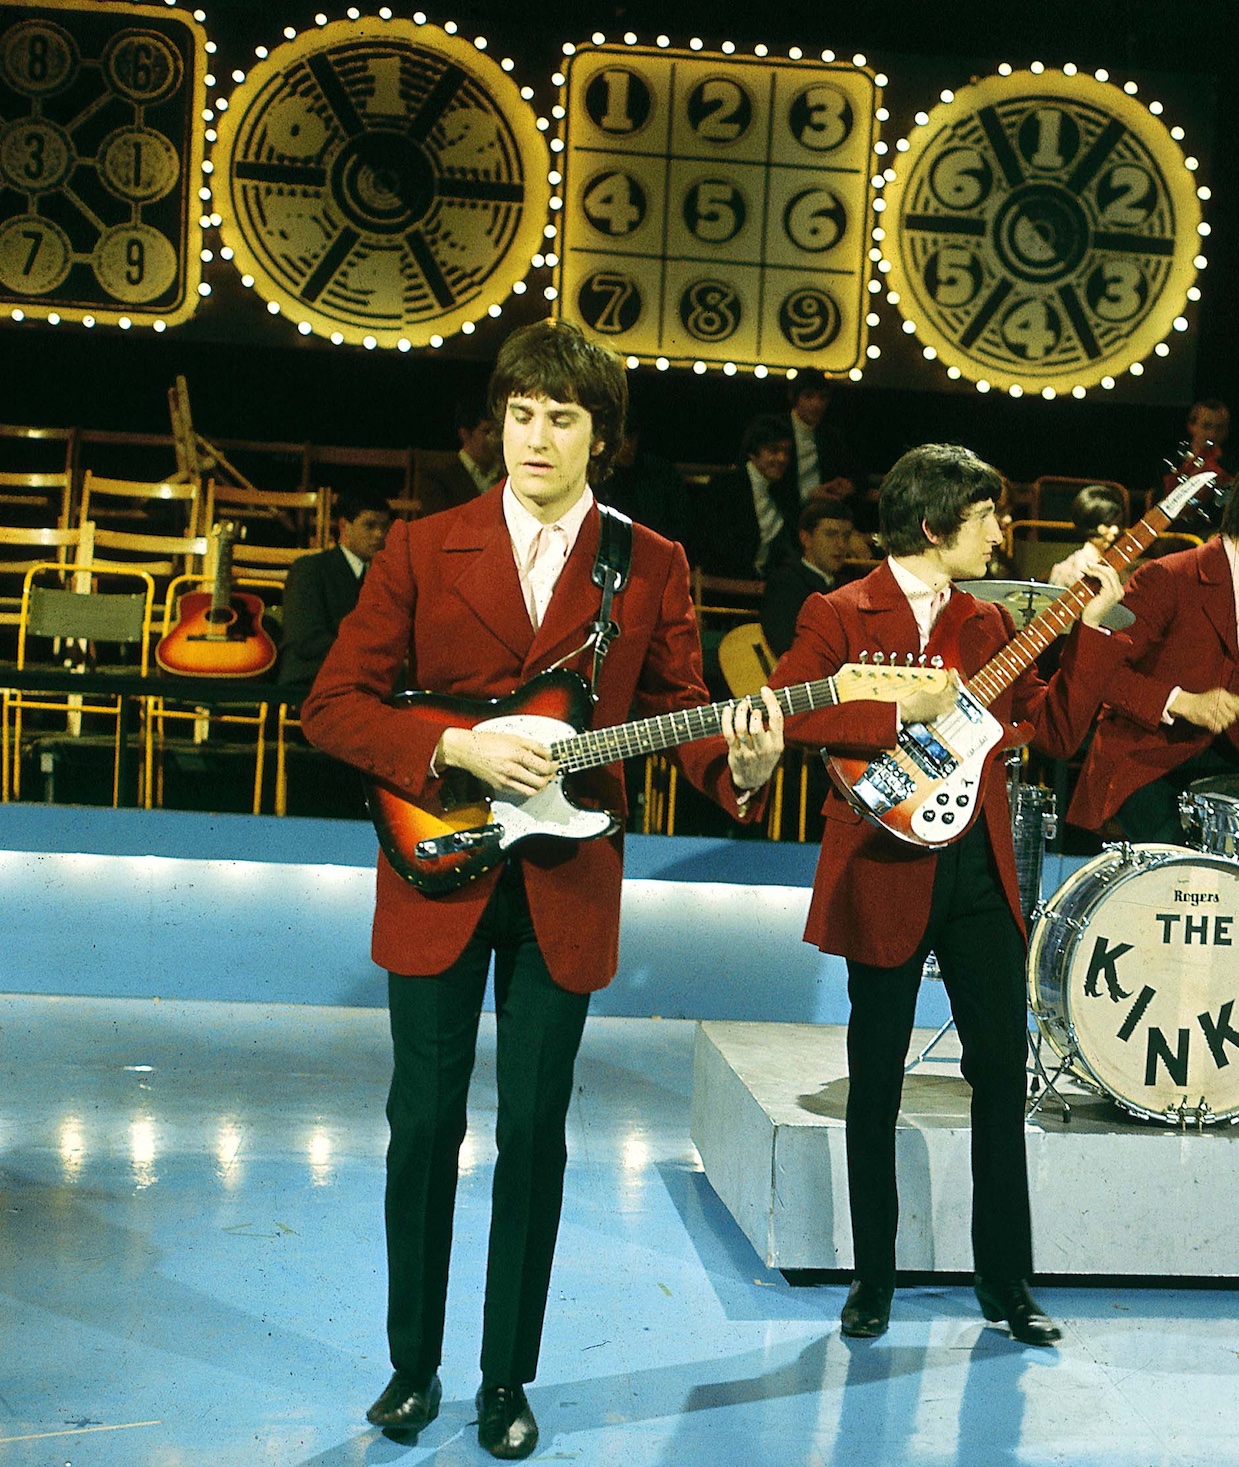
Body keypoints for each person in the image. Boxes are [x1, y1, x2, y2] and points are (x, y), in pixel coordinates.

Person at [302, 320, 784, 1460]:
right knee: (420, 1128)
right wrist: (456, 748)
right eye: (520, 413)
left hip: (568, 878)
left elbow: (679, 713)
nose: (535, 435)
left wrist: (745, 764)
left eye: (561, 417)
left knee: (535, 1135)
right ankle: (411, 1369)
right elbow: (332, 705)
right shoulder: (423, 547)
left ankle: (504, 1378)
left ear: (599, 438)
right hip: (436, 867)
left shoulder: (651, 562)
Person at [767, 443, 1125, 1347]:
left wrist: (1093, 631)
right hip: (882, 863)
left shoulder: (989, 620)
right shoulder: (840, 610)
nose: (1002, 533)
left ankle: (1006, 1282)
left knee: (1003, 1074)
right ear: (935, 526)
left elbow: (1049, 722)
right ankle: (872, 1277)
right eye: (986, 517)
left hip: (979, 867)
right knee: (877, 1079)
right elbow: (790, 708)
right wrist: (906, 711)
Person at [1066, 462, 1239, 844]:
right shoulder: (1169, 577)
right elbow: (1099, 673)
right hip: (1142, 763)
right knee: (1190, 858)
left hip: (1214, 768)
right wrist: (1181, 702)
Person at [278, 488, 393, 694]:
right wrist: (367, 657)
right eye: (369, 525)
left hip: (362, 681)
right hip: (311, 678)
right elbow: (305, 640)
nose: (379, 534)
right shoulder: (310, 569)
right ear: (344, 526)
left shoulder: (383, 579)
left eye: (384, 527)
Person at [686, 413, 798, 580]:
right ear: (753, 452)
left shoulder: (782, 495)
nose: (782, 458)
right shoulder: (725, 487)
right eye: (774, 450)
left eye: (786, 452)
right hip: (721, 584)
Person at [761, 497, 854, 656]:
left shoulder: (849, 586)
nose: (840, 544)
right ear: (806, 538)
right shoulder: (785, 583)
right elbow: (785, 644)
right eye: (831, 534)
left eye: (845, 536)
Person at [414, 396, 504, 518]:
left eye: (498, 432)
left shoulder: (507, 476)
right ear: (465, 434)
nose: (494, 439)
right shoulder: (438, 477)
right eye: (486, 432)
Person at [785, 367, 862, 505]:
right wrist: (808, 495)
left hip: (822, 511)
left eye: (822, 397)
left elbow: (856, 472)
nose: (816, 404)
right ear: (794, 397)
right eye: (809, 396)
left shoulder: (830, 436)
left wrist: (848, 484)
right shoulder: (775, 430)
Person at [1048, 484, 1125, 590]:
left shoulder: (1125, 564)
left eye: (1118, 523)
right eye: (1108, 525)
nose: (1115, 530)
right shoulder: (1067, 569)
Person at [1161, 397, 1232, 496]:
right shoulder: (1172, 463)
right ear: (1191, 426)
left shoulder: (1232, 467)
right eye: (1206, 426)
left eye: (1220, 428)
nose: (1213, 434)